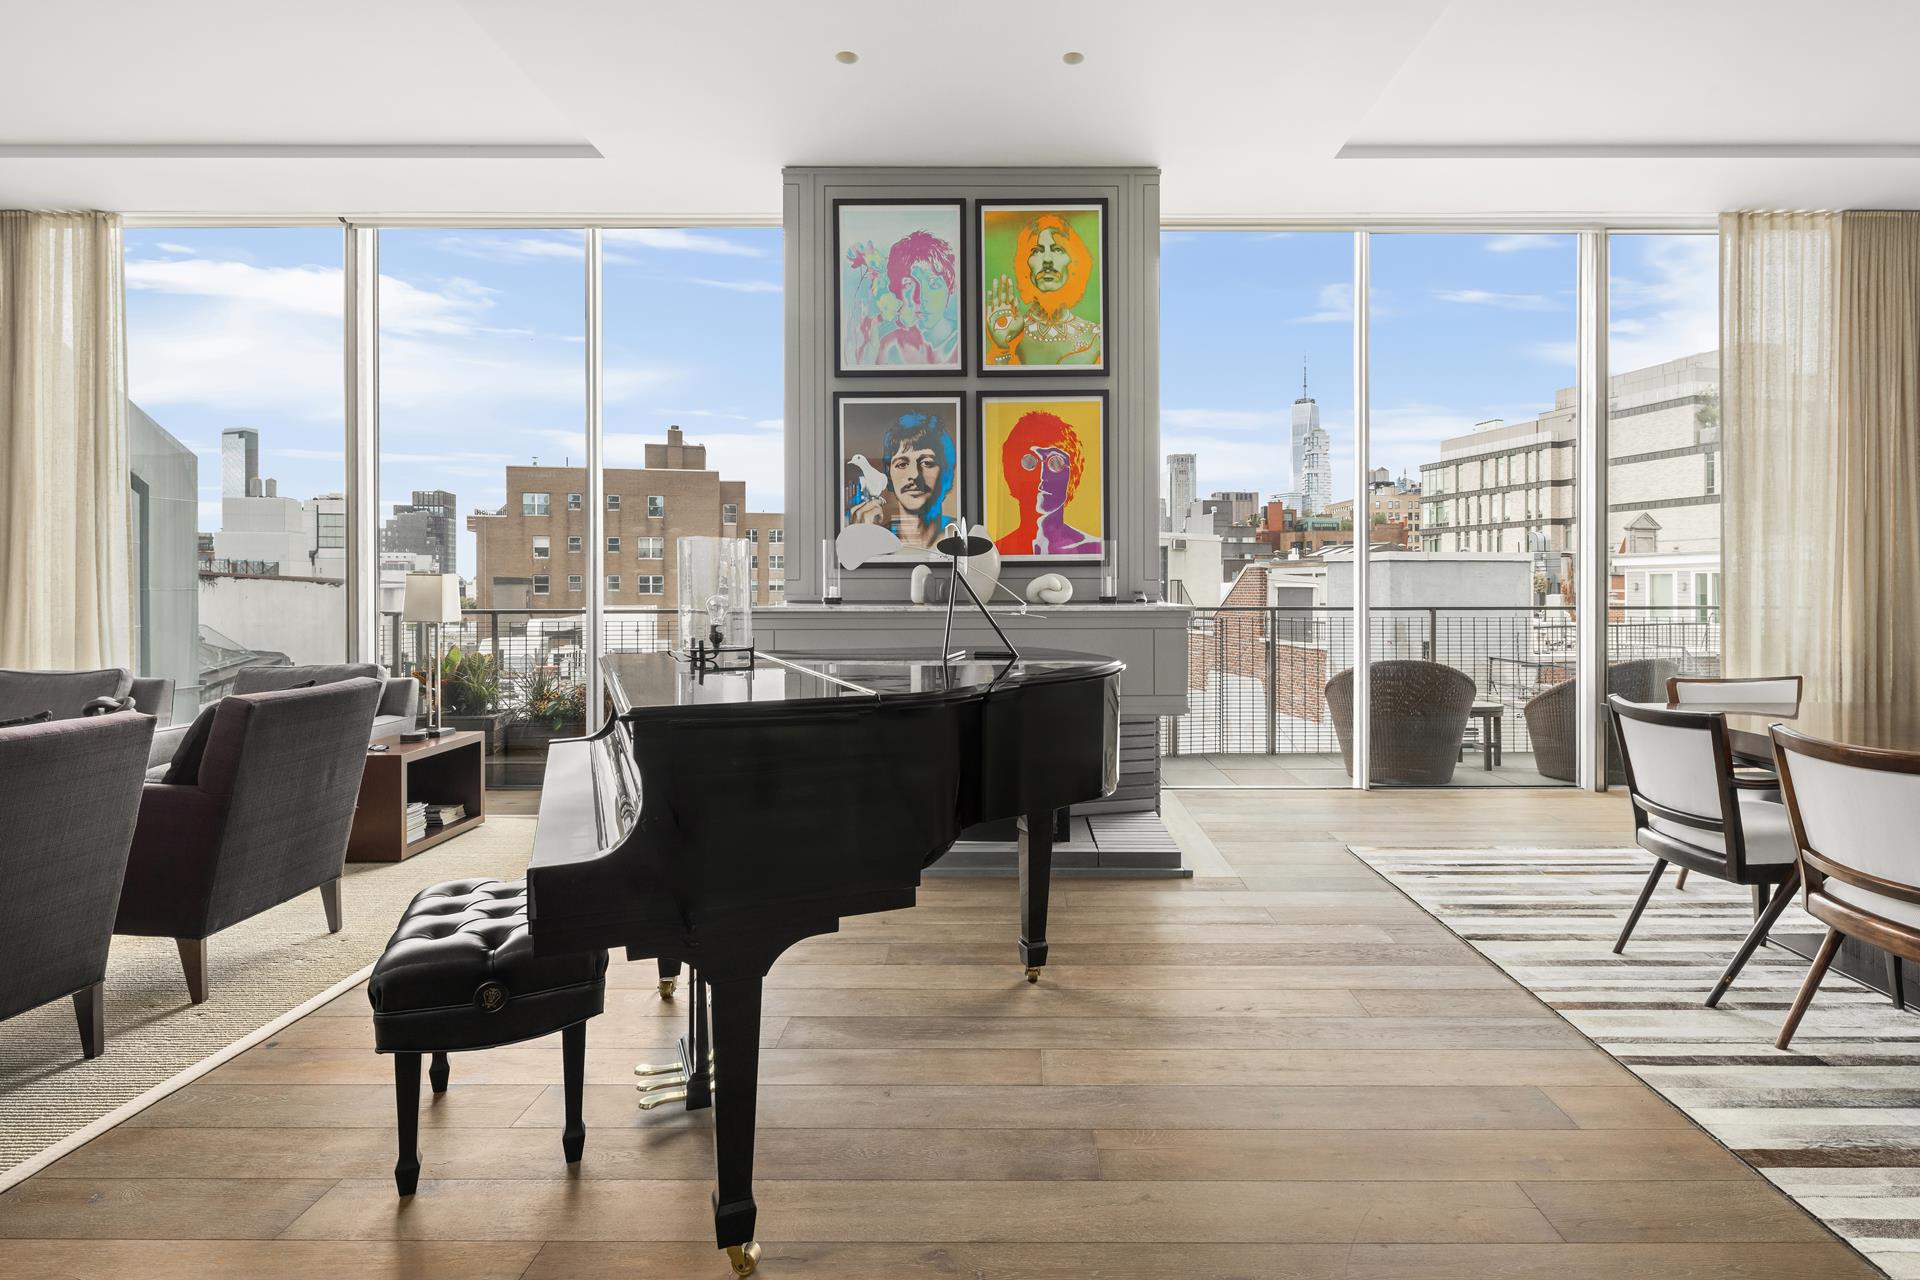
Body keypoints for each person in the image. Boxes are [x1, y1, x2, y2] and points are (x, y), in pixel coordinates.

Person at [984, 213, 1102, 367]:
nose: (1047, 260)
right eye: (1036, 251)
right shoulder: (1010, 332)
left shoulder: (1096, 337)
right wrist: (1001, 347)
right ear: (1025, 264)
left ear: (1074, 261)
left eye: (1058, 249)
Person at [993, 410, 1099, 556]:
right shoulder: (996, 552)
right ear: (1011, 471)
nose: (1042, 476)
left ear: (1073, 474)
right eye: (1029, 462)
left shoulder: (1094, 549)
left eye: (1056, 463)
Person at [847, 412, 955, 551]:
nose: (915, 475)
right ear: (889, 476)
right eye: (902, 464)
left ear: (946, 472)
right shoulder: (876, 541)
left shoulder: (965, 538)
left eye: (927, 463)